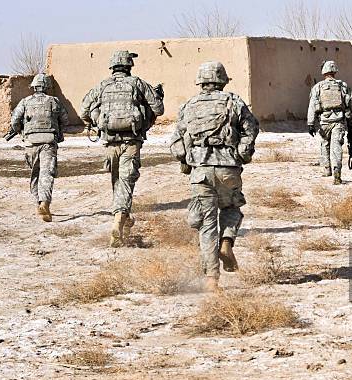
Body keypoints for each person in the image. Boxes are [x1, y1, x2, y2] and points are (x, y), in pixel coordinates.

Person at [170, 61, 259, 292]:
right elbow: (251, 129)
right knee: (231, 209)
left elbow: (176, 142)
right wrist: (241, 153)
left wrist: (186, 160)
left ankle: (212, 279)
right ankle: (227, 243)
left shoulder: (189, 106)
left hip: (200, 171)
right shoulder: (234, 101)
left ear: (200, 81)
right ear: (222, 80)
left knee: (206, 224)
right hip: (228, 168)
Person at [80, 50, 164, 247]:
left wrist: (97, 119)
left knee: (118, 181)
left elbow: (84, 109)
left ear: (112, 67)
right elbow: (159, 109)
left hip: (110, 143)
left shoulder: (103, 85)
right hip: (131, 141)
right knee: (126, 182)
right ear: (129, 66)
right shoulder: (137, 83)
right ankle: (119, 219)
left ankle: (124, 216)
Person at [9, 73, 68, 222]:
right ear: (47, 87)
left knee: (35, 175)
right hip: (48, 143)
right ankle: (44, 203)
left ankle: (39, 202)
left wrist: (22, 132)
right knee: (46, 174)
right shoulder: (54, 101)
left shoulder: (25, 102)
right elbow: (65, 119)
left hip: (31, 143)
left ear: (34, 87)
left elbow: (15, 121)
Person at [307, 60, 352, 184]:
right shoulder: (343, 86)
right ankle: (337, 173)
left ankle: (327, 169)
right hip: (338, 121)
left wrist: (310, 124)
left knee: (325, 144)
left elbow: (312, 106)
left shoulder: (318, 87)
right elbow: (350, 106)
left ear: (323, 72)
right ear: (335, 71)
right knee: (336, 147)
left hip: (324, 121)